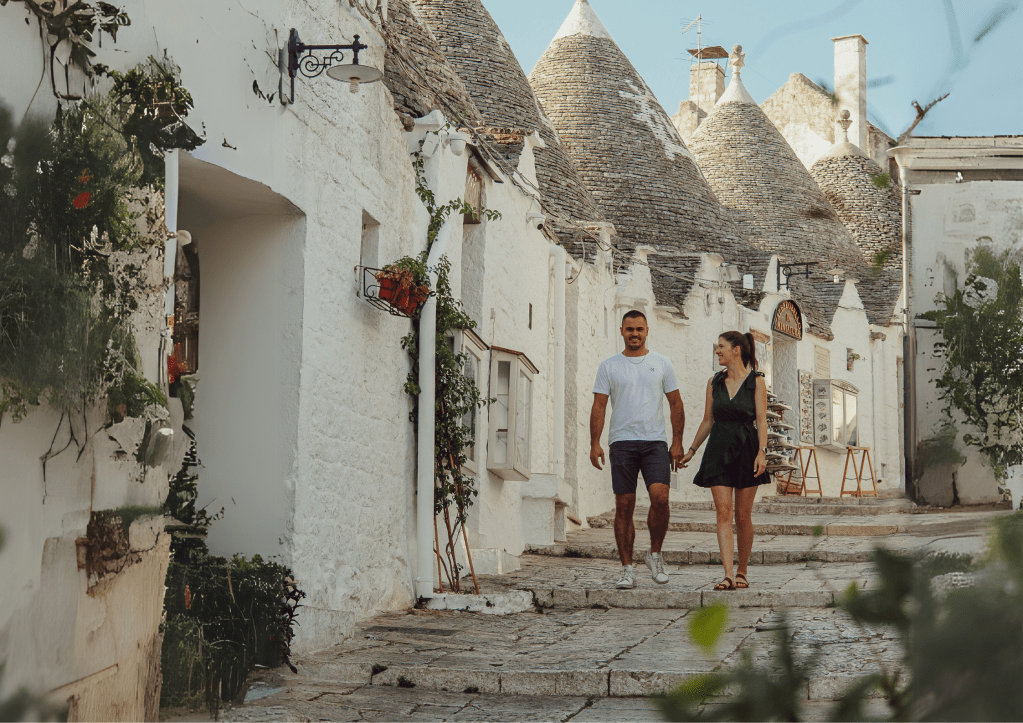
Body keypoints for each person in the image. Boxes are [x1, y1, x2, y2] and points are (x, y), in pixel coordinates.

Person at [590, 310, 685, 589]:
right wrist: (595, 442)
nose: (635, 334)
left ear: (647, 331)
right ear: (622, 330)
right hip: (621, 443)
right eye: (630, 329)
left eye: (639, 329)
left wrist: (677, 442)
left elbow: (676, 403)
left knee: (661, 497)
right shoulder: (609, 366)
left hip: (655, 442)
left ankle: (655, 555)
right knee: (624, 505)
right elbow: (599, 405)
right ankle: (627, 568)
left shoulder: (662, 363)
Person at [680, 331, 769, 591]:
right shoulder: (714, 382)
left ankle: (742, 571)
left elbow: (762, 420)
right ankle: (728, 574)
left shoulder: (756, 381)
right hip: (718, 450)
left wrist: (762, 452)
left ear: (736, 350)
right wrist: (692, 450)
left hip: (747, 449)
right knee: (723, 513)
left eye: (721, 346)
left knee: (742, 516)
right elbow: (708, 420)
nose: (717, 351)